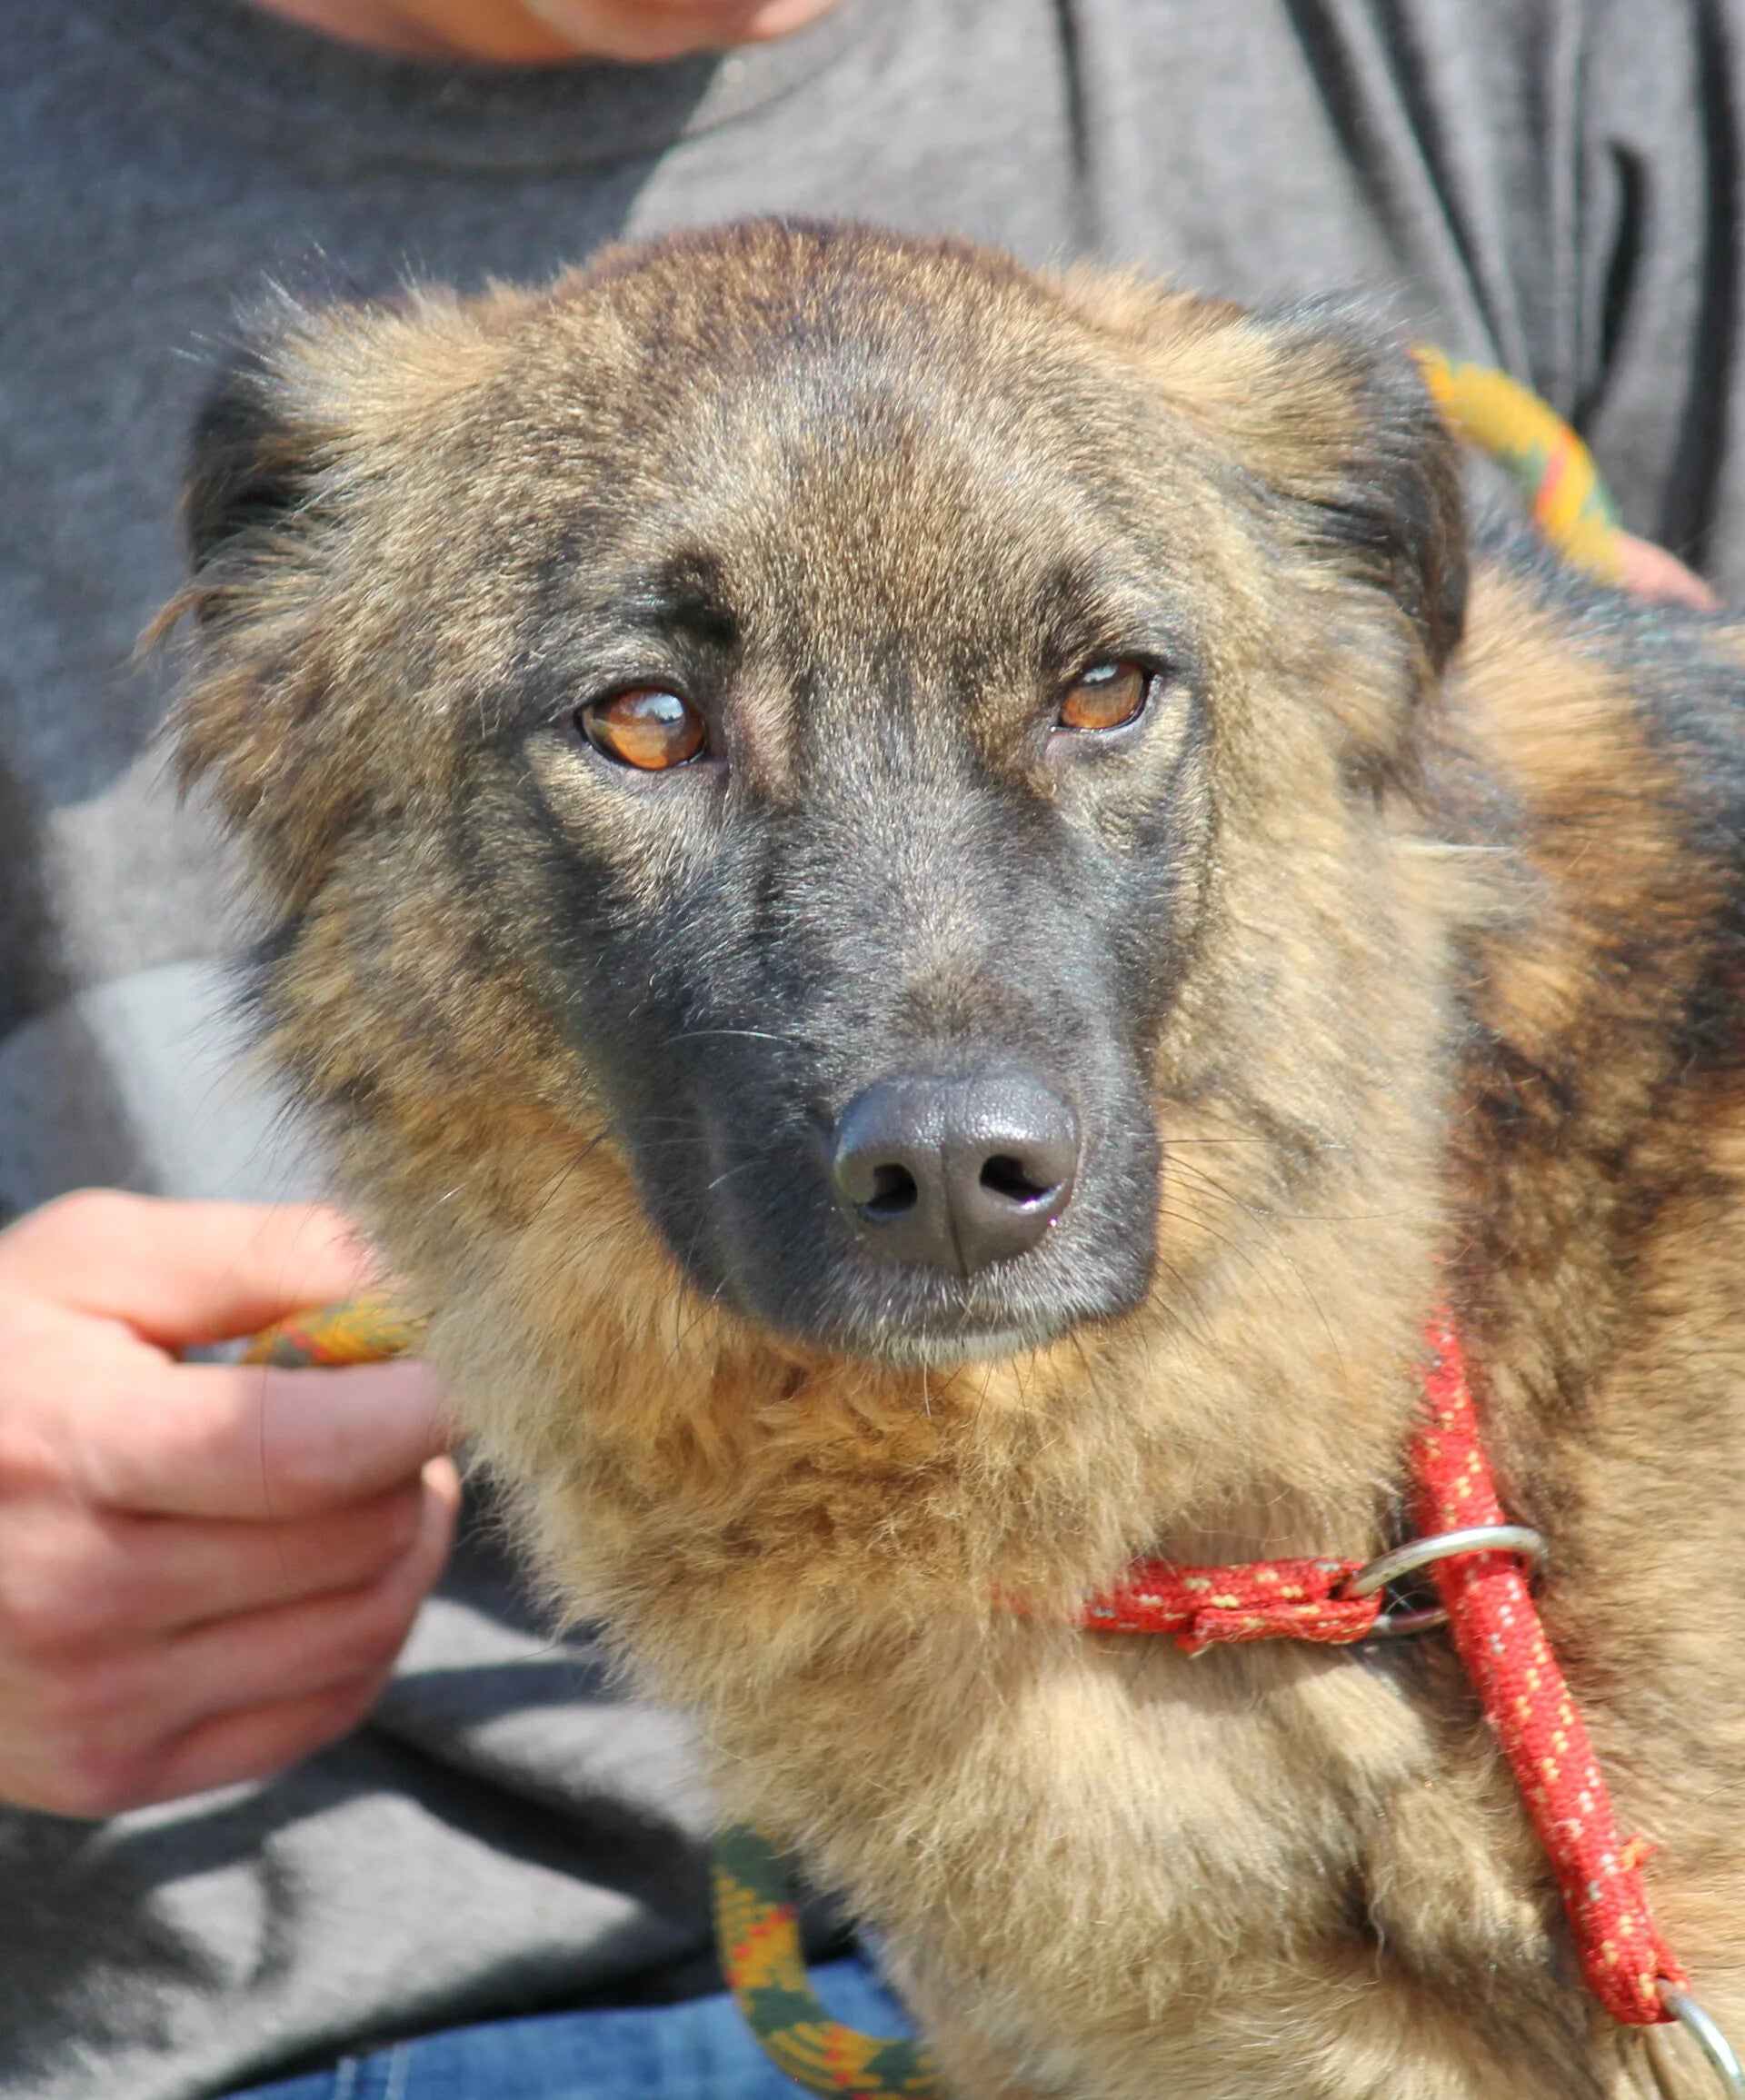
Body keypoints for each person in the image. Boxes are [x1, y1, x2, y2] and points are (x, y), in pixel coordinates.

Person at [0, 2, 1738, 2094]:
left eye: (1098, 693)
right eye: (647, 722)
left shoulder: (1512, 43)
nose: (950, 1112)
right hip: (366, 1982)